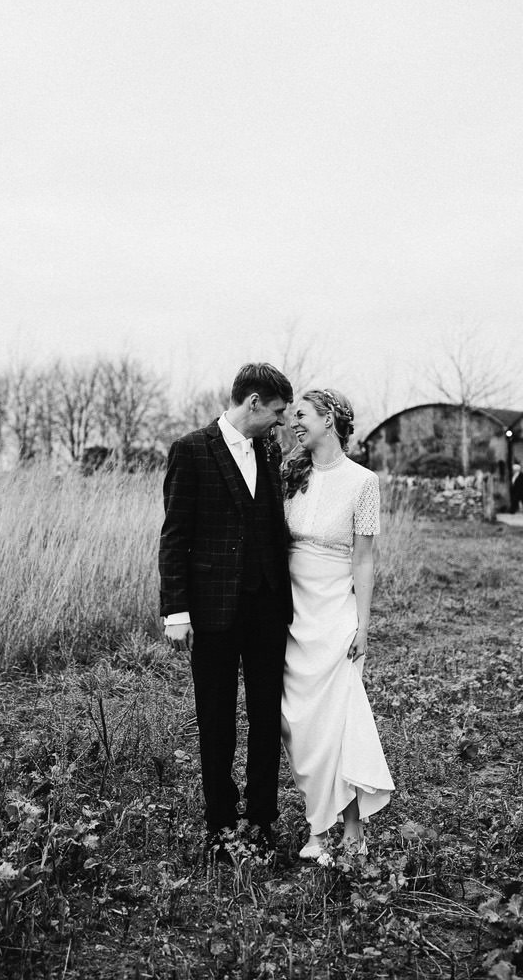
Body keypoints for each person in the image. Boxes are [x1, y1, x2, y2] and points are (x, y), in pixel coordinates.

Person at [159, 363, 294, 862]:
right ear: (253, 402)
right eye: (277, 413)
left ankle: (261, 817)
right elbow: (174, 536)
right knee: (215, 719)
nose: (280, 423)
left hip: (267, 608)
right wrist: (176, 611)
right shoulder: (191, 450)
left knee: (266, 717)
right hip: (212, 612)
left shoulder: (270, 449)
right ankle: (219, 822)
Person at [279, 388, 394, 860]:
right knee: (298, 722)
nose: (293, 425)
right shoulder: (289, 474)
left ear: (329, 420)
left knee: (339, 718)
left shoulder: (363, 482)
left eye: (302, 416)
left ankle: (340, 830)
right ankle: (320, 820)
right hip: (290, 613)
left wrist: (362, 626)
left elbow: (364, 560)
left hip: (335, 612)